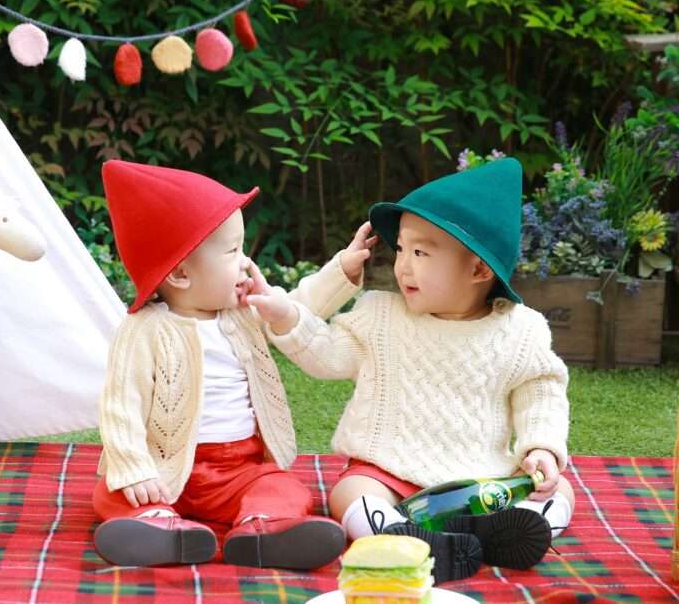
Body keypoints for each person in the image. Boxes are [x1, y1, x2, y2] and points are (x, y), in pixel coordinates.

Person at [246, 158, 575, 583]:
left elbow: (542, 391)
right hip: (389, 471)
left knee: (556, 487)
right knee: (352, 490)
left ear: (478, 269)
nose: (403, 265)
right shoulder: (380, 315)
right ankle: (399, 533)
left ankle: (512, 532)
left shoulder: (520, 330)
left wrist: (542, 448)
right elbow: (325, 354)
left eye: (420, 252)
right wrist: (287, 316)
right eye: (401, 249)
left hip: (483, 479)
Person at [91, 159, 347, 570]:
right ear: (179, 275)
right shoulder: (145, 330)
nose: (246, 262)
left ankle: (261, 529)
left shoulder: (242, 314)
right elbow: (121, 404)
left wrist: (340, 273)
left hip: (238, 469)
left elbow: (294, 311)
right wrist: (134, 468)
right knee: (113, 490)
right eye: (232, 251)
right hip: (164, 466)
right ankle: (157, 526)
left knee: (283, 487)